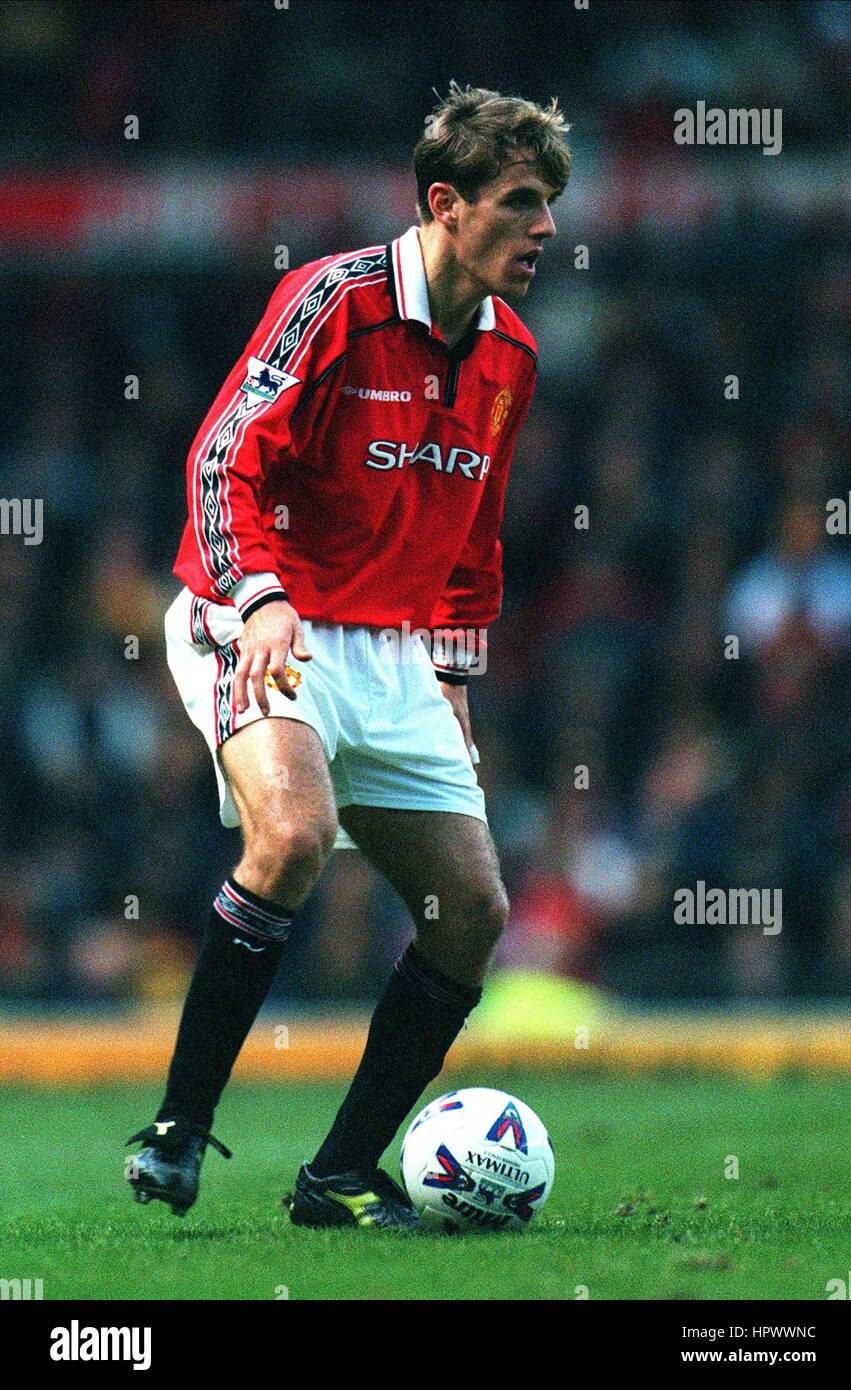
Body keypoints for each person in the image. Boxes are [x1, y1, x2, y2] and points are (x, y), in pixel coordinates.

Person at [126, 82, 571, 1230]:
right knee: (292, 835)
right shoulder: (334, 299)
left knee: (470, 911)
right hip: (256, 611)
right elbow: (222, 454)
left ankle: (335, 1177)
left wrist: (454, 675)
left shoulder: (511, 356)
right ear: (446, 204)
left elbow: (473, 534)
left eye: (549, 204)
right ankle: (177, 1128)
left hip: (396, 650)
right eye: (521, 202)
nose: (545, 227)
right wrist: (261, 595)